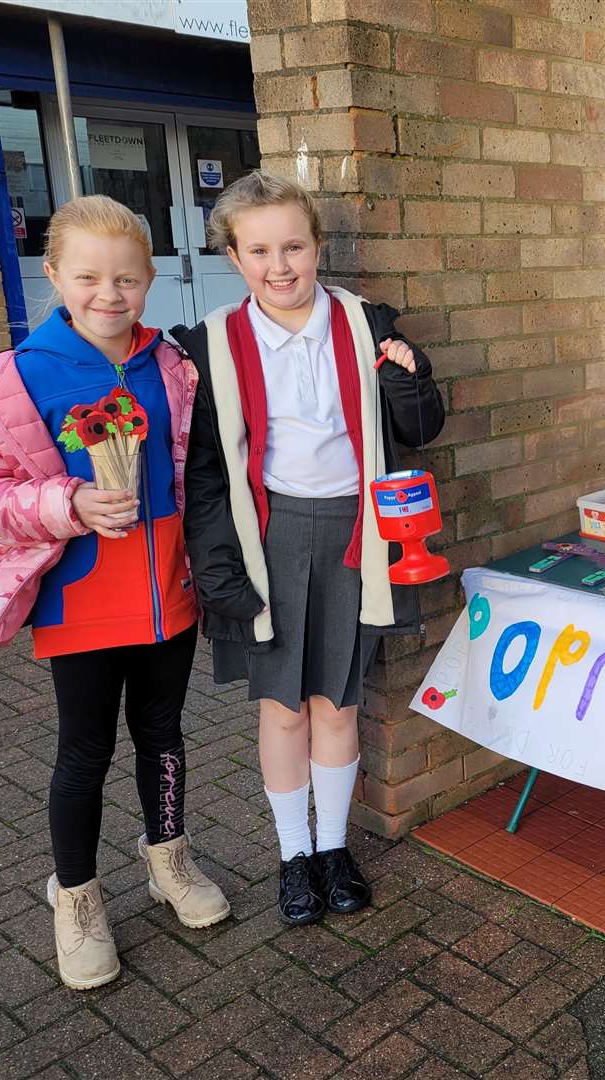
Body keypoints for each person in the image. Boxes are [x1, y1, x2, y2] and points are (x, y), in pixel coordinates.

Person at [0, 195, 229, 991]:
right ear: (55, 274)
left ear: (152, 281)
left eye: (129, 279)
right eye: (90, 277)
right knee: (84, 753)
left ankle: (167, 857)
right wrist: (63, 505)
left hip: (165, 594)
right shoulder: (6, 380)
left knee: (164, 736)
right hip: (77, 606)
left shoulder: (173, 367)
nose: (111, 294)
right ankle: (75, 896)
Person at [174, 171, 444, 927]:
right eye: (259, 250)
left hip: (358, 533)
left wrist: (410, 383)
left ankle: (333, 850)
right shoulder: (216, 344)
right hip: (271, 540)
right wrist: (218, 565)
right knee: (283, 708)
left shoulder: (366, 323)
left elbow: (422, 426)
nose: (280, 265)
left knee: (338, 701)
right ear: (234, 256)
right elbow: (203, 472)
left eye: (294, 245)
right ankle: (292, 857)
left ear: (319, 245)